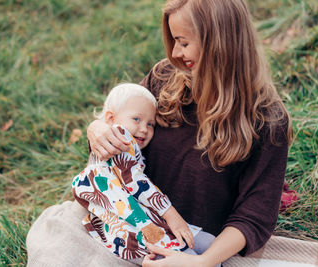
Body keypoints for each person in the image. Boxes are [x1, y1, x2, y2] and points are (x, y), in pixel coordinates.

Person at [87, 0, 292, 266]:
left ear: (220, 41)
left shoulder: (268, 121)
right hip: (135, 224)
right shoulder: (164, 78)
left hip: (201, 241)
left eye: (183, 43)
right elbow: (119, 130)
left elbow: (253, 217)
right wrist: (97, 128)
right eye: (174, 41)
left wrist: (203, 262)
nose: (174, 53)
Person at [72, 83, 219, 266]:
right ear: (110, 118)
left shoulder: (130, 144)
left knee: (211, 245)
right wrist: (171, 214)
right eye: (136, 119)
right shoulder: (119, 137)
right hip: (130, 226)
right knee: (193, 255)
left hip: (150, 218)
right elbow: (134, 181)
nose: (144, 129)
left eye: (150, 124)